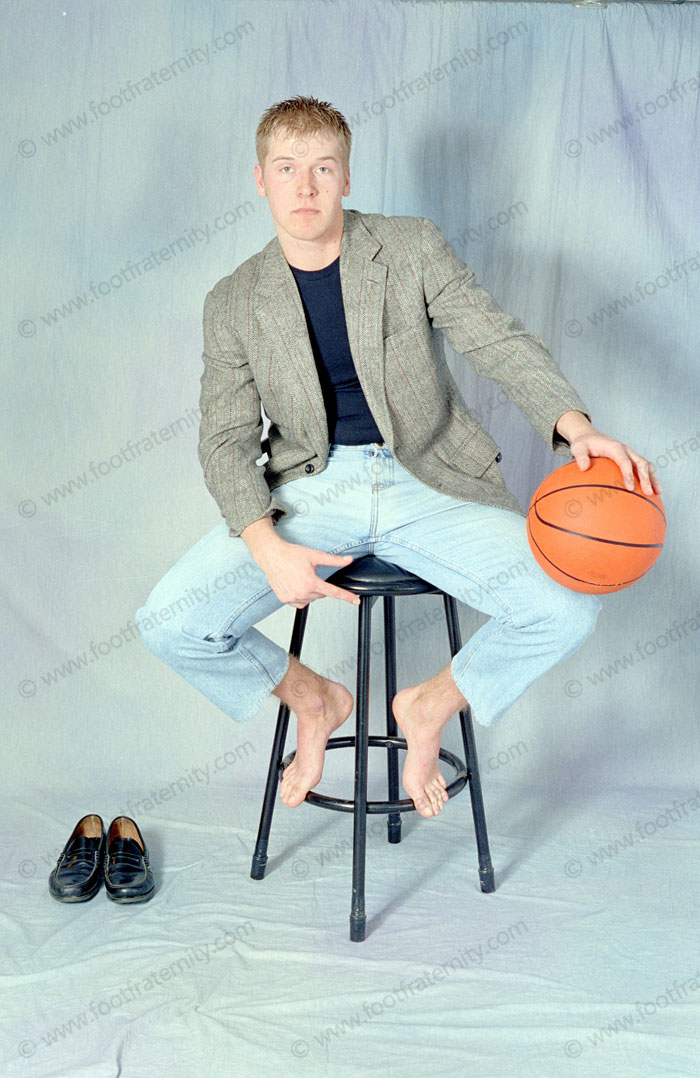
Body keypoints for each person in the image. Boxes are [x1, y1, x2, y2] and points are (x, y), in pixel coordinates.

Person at [136, 95, 661, 820]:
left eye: (323, 168)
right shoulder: (233, 301)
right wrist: (264, 543)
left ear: (347, 176)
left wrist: (576, 429)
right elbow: (224, 440)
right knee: (168, 622)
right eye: (287, 169)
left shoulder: (410, 247)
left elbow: (494, 338)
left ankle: (428, 705)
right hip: (311, 492)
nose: (305, 186)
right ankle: (314, 700)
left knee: (568, 608)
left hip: (429, 478)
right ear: (260, 179)